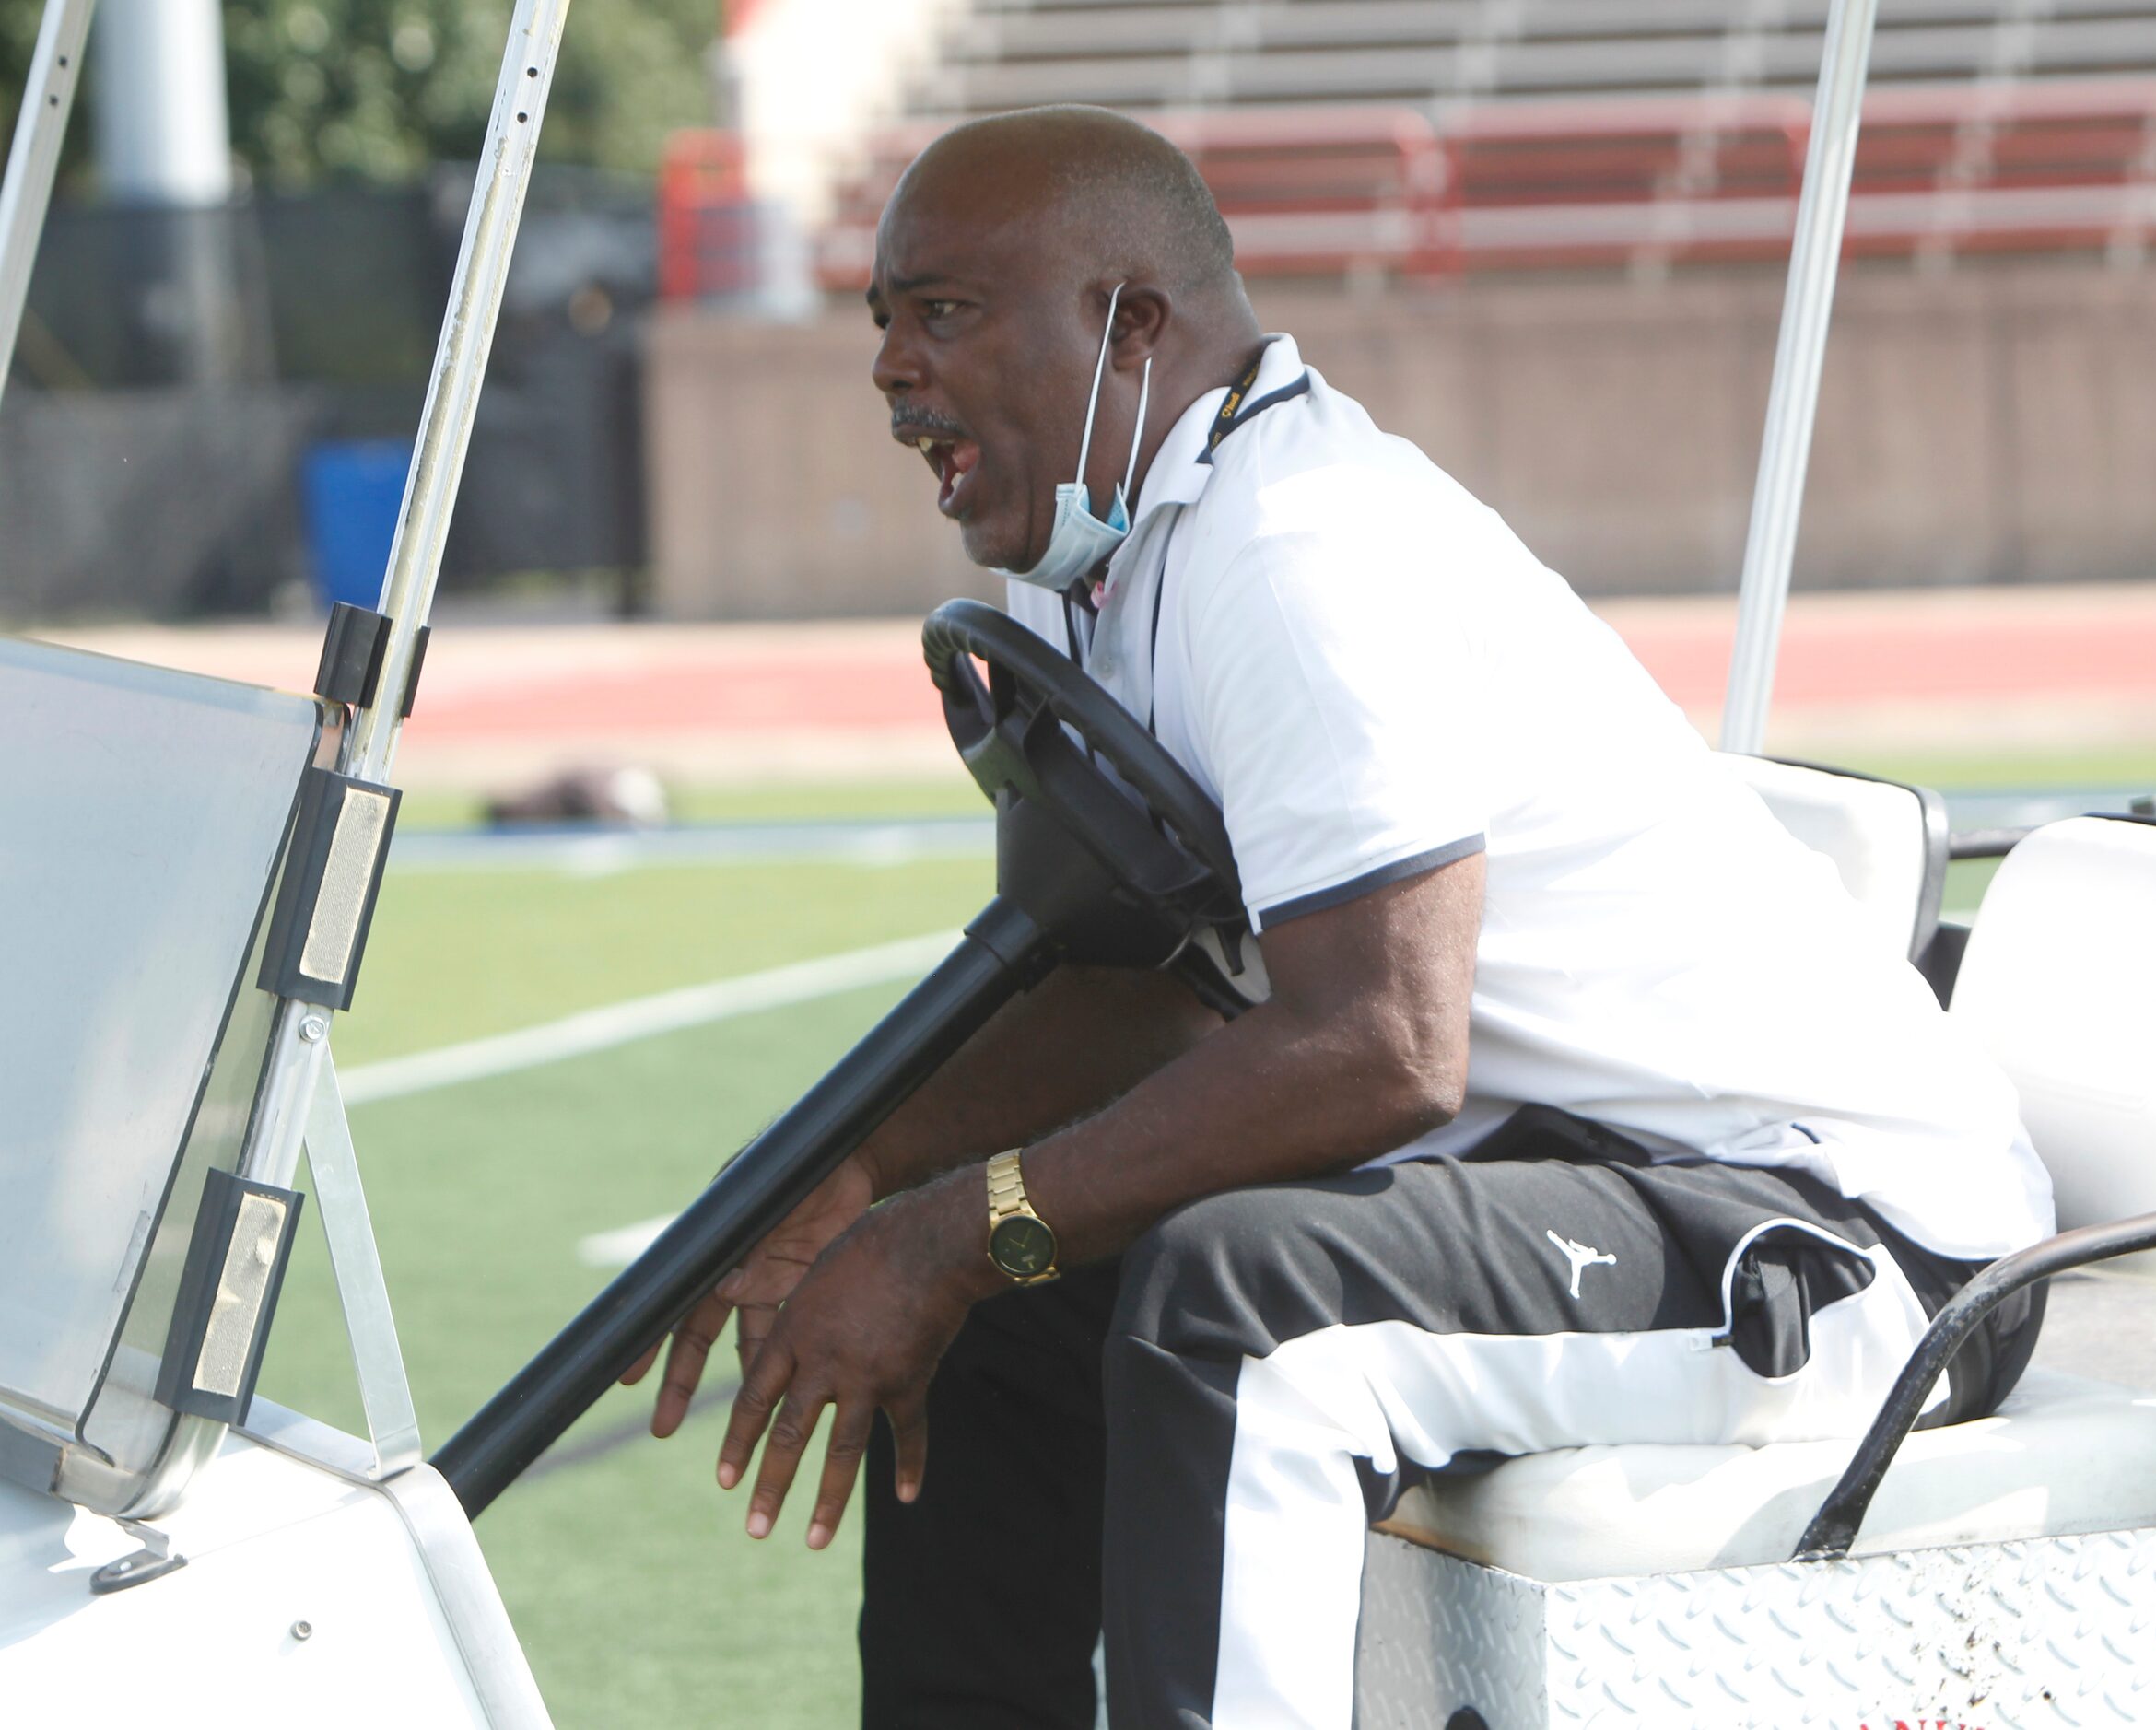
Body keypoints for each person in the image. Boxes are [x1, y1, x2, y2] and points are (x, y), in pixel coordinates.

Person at [625, 105, 2054, 1730]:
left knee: (1240, 1307)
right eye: (883, 319)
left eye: (942, 311)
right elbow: (1164, 1002)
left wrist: (955, 1225)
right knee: (1016, 1293)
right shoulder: (1101, 546)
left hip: (1850, 1236)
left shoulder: (1296, 550)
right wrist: (869, 1168)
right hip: (1578, 1158)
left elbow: (1383, 1043)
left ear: (1127, 323)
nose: (890, 368)